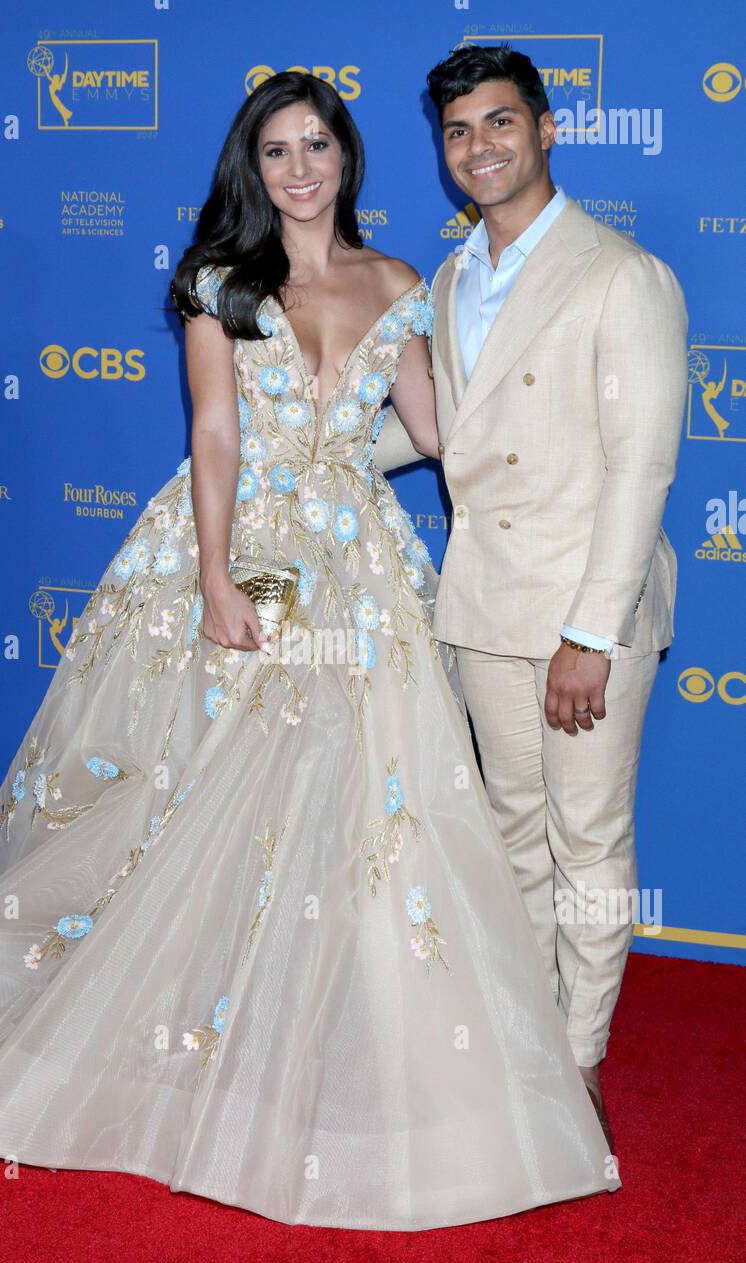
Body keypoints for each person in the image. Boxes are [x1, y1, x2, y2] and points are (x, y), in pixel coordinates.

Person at [0, 72, 619, 1231]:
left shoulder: (396, 285)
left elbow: (438, 438)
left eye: (316, 144)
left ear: (347, 158)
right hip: (244, 559)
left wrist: (552, 463)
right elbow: (216, 434)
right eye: (274, 149)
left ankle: (354, 1034)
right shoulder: (221, 286)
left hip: (364, 574)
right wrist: (219, 574)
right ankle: (183, 1022)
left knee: (368, 810)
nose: (297, 167)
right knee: (211, 793)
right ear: (252, 166)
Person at [374, 45, 689, 1152]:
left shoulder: (620, 274)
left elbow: (638, 466)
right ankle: (523, 1043)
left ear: (546, 128)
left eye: (499, 123)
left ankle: (578, 1061)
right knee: (510, 833)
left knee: (587, 838)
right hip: (484, 608)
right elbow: (448, 440)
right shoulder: (452, 278)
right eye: (458, 131)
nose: (479, 149)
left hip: (578, 618)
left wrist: (587, 634)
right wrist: (307, 455)